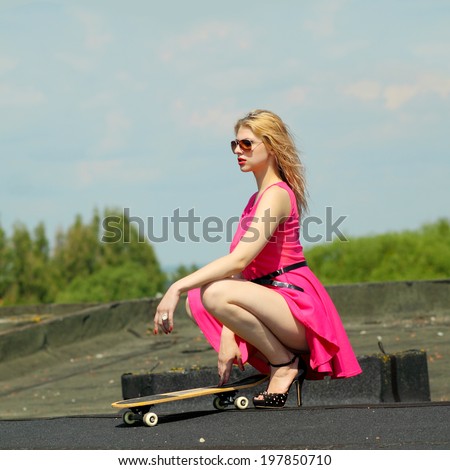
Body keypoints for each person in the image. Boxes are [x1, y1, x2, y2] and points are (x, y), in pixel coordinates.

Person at [153, 109, 362, 408]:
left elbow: (238, 261)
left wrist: (176, 286)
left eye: (247, 144)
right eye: (235, 144)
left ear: (271, 145)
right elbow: (242, 275)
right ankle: (282, 360)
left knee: (210, 291)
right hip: (271, 303)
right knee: (199, 300)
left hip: (296, 306)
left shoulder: (276, 195)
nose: (238, 150)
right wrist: (229, 336)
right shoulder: (255, 200)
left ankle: (284, 362)